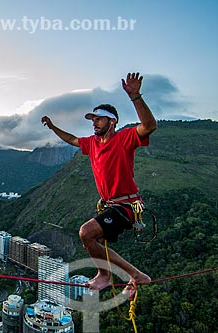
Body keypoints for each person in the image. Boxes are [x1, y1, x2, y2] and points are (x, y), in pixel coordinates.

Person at [41, 72, 157, 292]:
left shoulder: (125, 138)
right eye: (92, 119)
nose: (94, 123)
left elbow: (149, 126)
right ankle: (110, 276)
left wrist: (135, 97)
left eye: (98, 119)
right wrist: (53, 127)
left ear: (111, 121)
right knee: (94, 241)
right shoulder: (93, 143)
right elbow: (72, 139)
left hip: (126, 206)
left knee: (86, 233)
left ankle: (134, 275)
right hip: (111, 205)